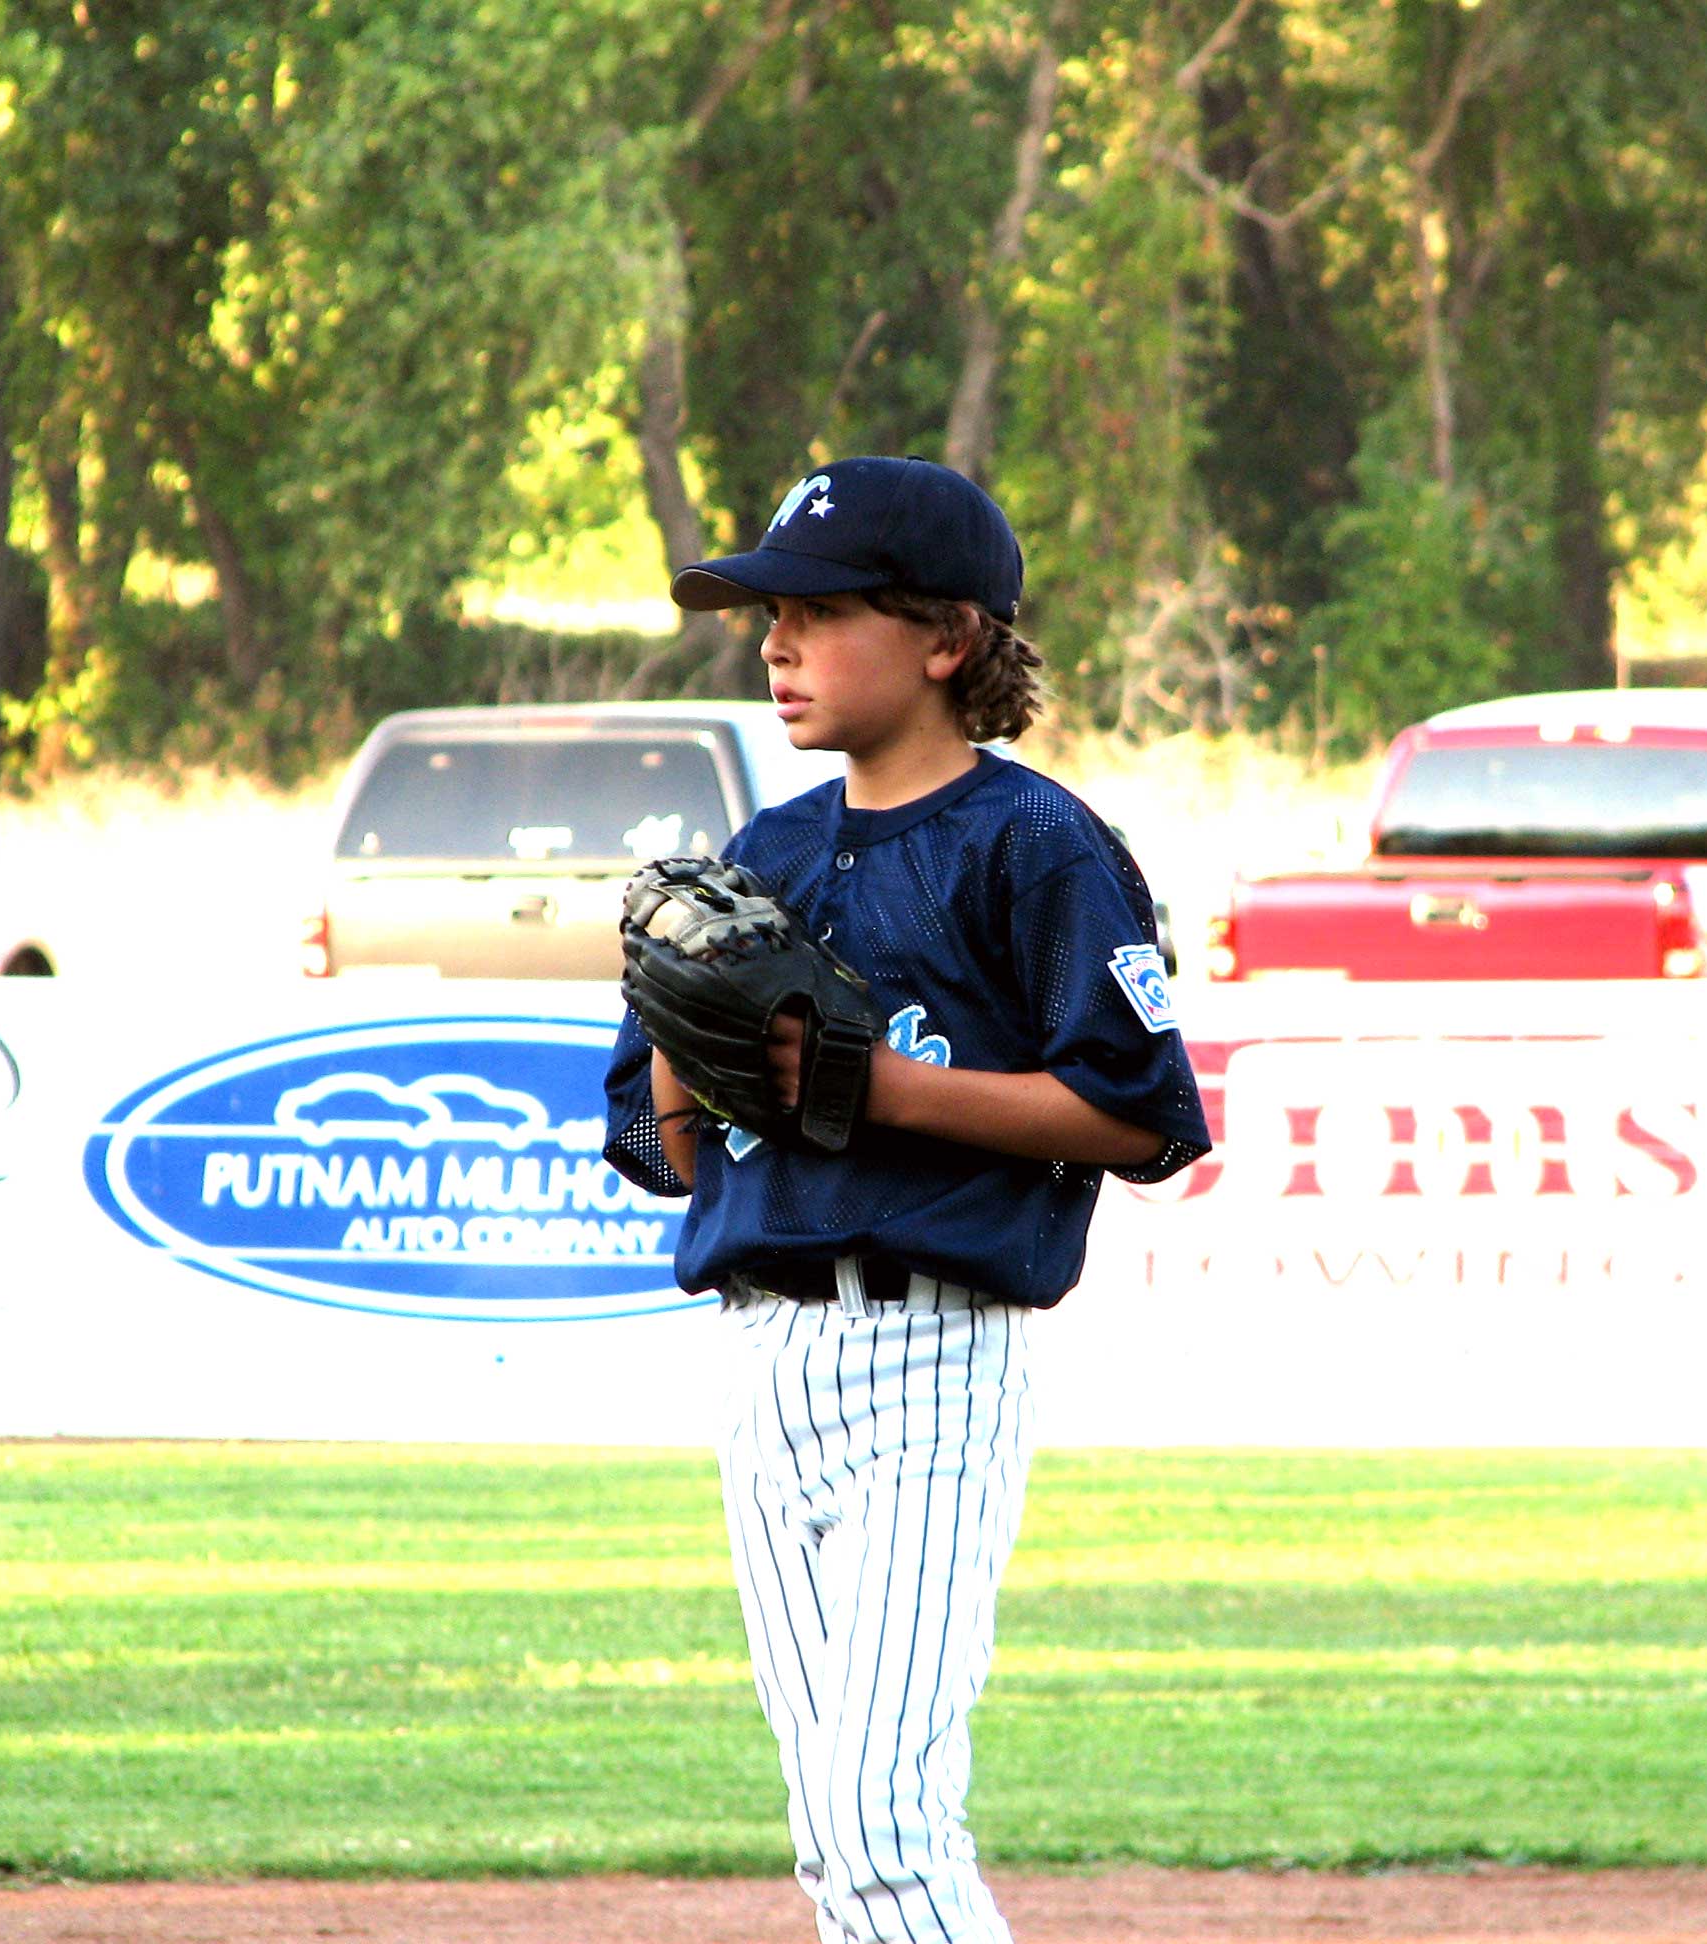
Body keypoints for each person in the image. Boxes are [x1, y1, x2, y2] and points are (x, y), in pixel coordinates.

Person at [601, 455, 1212, 1944]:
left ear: (946, 638)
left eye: (817, 611)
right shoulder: (767, 853)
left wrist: (869, 1083)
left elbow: (1141, 1118)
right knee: (834, 1823)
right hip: (763, 1358)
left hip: (934, 1351)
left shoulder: (1034, 843)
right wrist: (692, 1028)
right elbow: (658, 1148)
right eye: (769, 613)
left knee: (882, 1813)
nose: (775, 642)